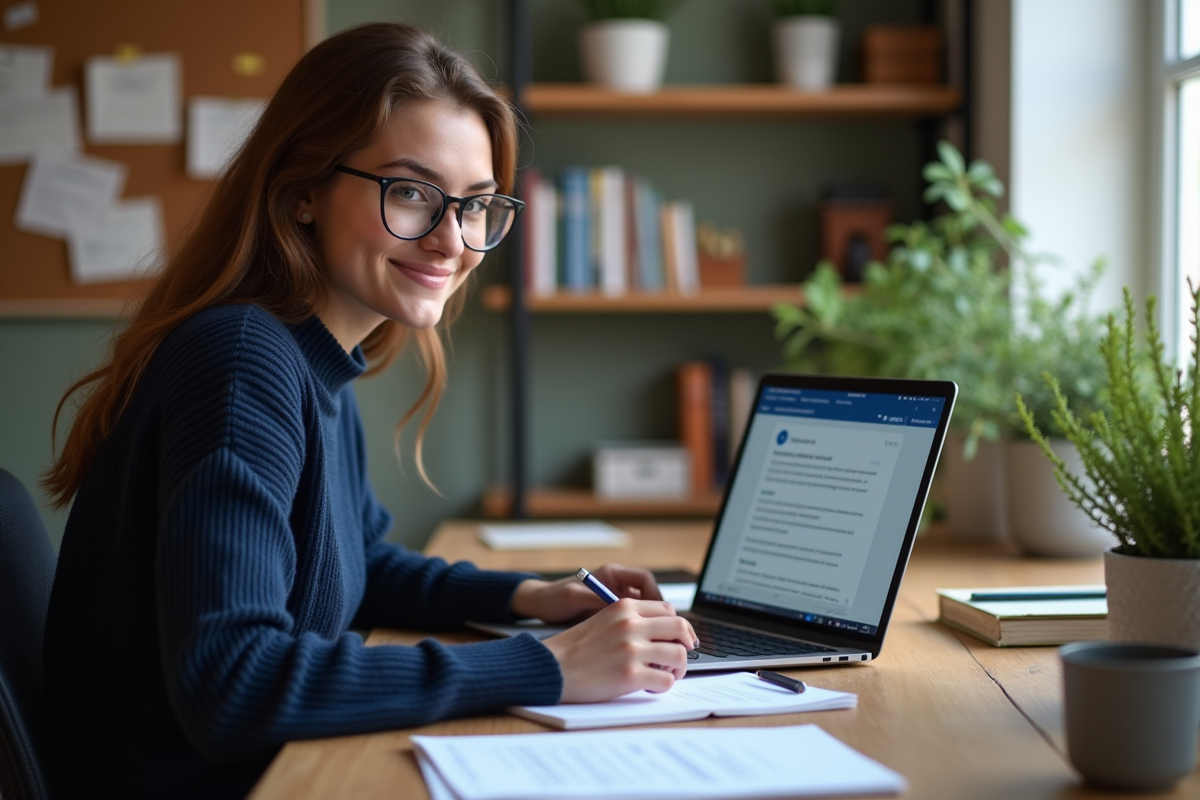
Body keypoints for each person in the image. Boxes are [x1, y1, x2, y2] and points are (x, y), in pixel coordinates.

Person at [41, 22, 696, 800]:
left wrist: (530, 596)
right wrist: (549, 664)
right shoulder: (243, 364)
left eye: (478, 205)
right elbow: (233, 682)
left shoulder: (305, 356)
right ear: (304, 192)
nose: (452, 241)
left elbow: (360, 561)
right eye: (412, 192)